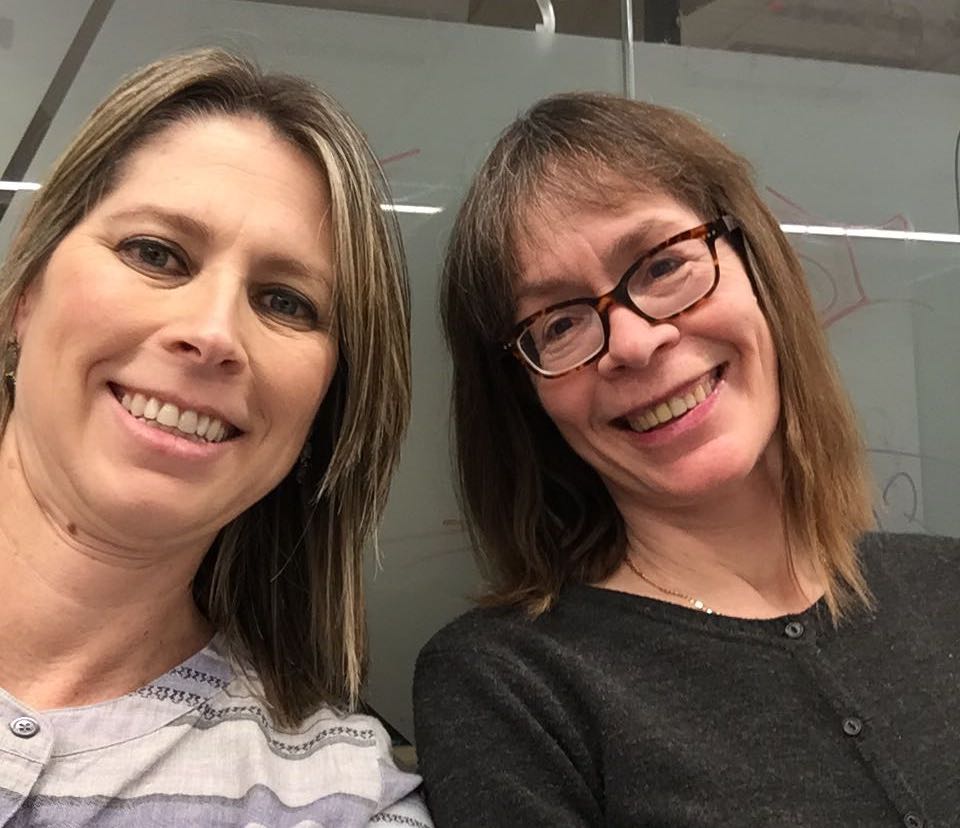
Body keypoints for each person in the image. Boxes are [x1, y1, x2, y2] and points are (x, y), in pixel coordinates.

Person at [413, 91, 960, 827]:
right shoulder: (510, 686)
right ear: (526, 397)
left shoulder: (948, 586)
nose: (635, 343)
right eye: (561, 324)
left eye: (663, 264)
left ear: (757, 267)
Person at [0, 48, 431, 826]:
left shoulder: (340, 799)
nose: (212, 333)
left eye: (286, 302)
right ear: (26, 295)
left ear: (323, 407)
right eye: (155, 254)